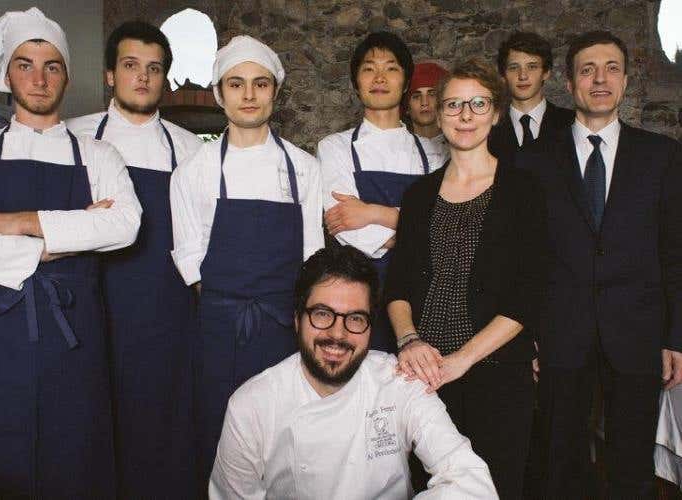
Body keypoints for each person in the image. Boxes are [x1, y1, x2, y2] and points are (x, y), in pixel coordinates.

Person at [0, 8, 142, 498]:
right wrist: (58, 242)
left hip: (77, 332)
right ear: (7, 74)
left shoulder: (99, 155)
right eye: (24, 65)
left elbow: (124, 224)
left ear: (67, 76)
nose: (39, 79)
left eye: (52, 66)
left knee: (77, 457)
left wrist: (16, 222)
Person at [515, 30, 682, 498]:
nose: (600, 79)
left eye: (611, 69)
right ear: (569, 84)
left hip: (638, 335)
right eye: (587, 70)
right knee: (558, 465)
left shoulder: (662, 156)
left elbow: (676, 252)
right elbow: (523, 258)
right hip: (559, 335)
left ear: (626, 80)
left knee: (632, 469)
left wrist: (676, 336)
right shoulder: (533, 162)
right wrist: (526, 335)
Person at [210, 245, 497, 499]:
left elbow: (472, 482)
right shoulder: (251, 406)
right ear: (297, 320)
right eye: (322, 314)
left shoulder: (400, 381)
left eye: (355, 318)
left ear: (371, 327)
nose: (338, 334)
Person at [385, 57, 547, 498]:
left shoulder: (524, 191)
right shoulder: (418, 195)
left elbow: (528, 293)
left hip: (497, 375)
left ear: (496, 113)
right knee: (427, 489)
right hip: (424, 378)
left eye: (478, 103)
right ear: (439, 116)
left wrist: (462, 359)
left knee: (494, 487)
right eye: (454, 105)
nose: (465, 115)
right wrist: (409, 341)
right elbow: (397, 285)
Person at [169, 35, 324, 487]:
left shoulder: (303, 168)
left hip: (284, 327)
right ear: (220, 94)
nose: (249, 95)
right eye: (236, 84)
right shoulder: (193, 171)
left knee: (285, 440)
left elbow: (312, 254)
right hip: (218, 332)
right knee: (218, 436)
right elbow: (190, 256)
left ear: (275, 91)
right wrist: (230, 307)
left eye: (261, 83)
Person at [66, 21, 201, 498]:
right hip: (90, 308)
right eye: (130, 65)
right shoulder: (73, 138)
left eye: (154, 68)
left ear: (165, 79)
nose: (142, 77)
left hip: (168, 314)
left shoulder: (190, 149)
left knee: (165, 429)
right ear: (109, 74)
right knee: (94, 426)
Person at [318, 32, 444, 353]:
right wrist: (417, 230)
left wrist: (372, 212)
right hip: (362, 294)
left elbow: (444, 226)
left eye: (390, 68)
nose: (379, 78)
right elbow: (346, 228)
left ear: (405, 82)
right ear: (356, 82)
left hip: (423, 293)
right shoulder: (335, 147)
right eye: (368, 69)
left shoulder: (434, 153)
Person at [488, 31, 573, 163]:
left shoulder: (572, 123)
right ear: (503, 76)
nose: (523, 76)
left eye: (532, 67)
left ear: (546, 73)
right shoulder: (487, 128)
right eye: (514, 67)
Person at [406, 60, 450, 166]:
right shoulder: (396, 151)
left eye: (432, 95)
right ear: (407, 107)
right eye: (416, 96)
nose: (424, 102)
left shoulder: (461, 146)